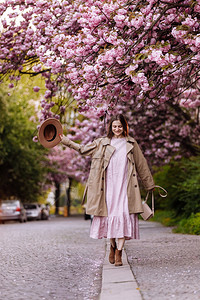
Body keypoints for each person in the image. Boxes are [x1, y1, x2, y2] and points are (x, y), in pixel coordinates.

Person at [60, 114, 155, 266]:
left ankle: (119, 252)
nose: (117, 129)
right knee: (109, 217)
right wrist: (65, 141)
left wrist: (149, 184)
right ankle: (112, 246)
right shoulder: (102, 143)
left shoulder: (131, 143)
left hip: (125, 187)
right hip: (107, 188)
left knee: (124, 215)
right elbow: (83, 149)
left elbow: (141, 164)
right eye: (114, 126)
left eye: (120, 126)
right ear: (110, 127)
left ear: (125, 127)